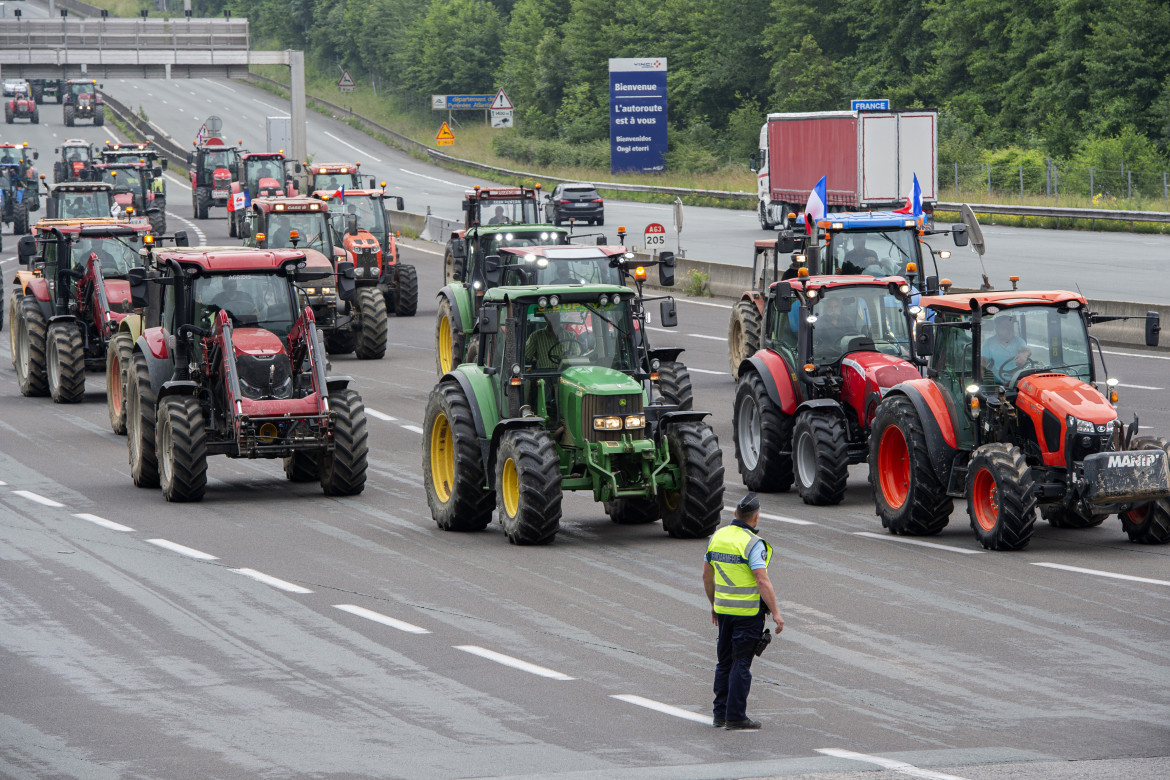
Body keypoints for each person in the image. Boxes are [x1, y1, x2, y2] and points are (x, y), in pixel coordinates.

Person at [703, 493, 783, 730]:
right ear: (755, 518)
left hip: (724, 610)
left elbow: (707, 576)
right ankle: (736, 716)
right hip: (747, 613)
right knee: (741, 662)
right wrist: (776, 613)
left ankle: (720, 714)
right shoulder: (752, 544)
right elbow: (761, 579)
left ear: (735, 514)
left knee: (724, 662)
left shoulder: (717, 537)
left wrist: (713, 605)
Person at [982, 316, 1031, 383]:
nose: (1009, 330)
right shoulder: (989, 343)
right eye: (1005, 328)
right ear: (997, 329)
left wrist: (1024, 355)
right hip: (996, 382)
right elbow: (983, 361)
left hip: (1017, 380)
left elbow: (1026, 350)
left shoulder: (1018, 341)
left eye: (1011, 327)